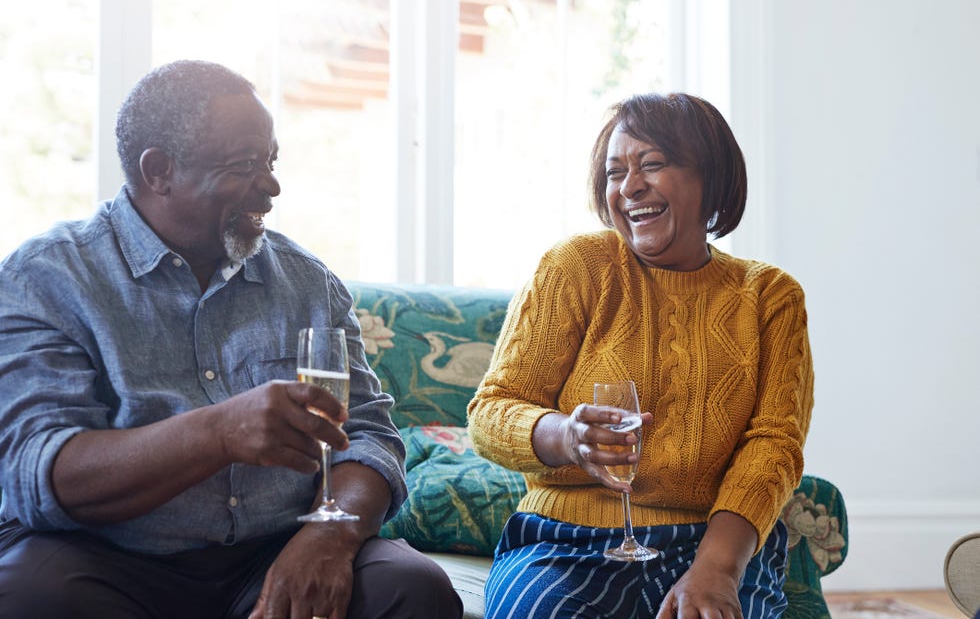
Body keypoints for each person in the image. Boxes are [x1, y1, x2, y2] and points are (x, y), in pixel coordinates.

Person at [0, 60, 462, 619]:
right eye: (245, 165)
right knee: (30, 596)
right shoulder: (49, 277)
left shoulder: (306, 281)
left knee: (413, 588)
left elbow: (368, 438)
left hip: (276, 548)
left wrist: (327, 535)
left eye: (270, 161)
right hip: (106, 557)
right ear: (159, 171)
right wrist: (220, 432)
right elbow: (38, 473)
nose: (271, 186)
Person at [468, 92, 814, 618]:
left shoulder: (769, 296)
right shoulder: (577, 267)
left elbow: (773, 447)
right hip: (567, 542)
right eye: (614, 172)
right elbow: (492, 410)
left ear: (711, 178)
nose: (629, 187)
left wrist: (716, 570)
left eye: (652, 164)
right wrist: (567, 437)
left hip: (711, 545)